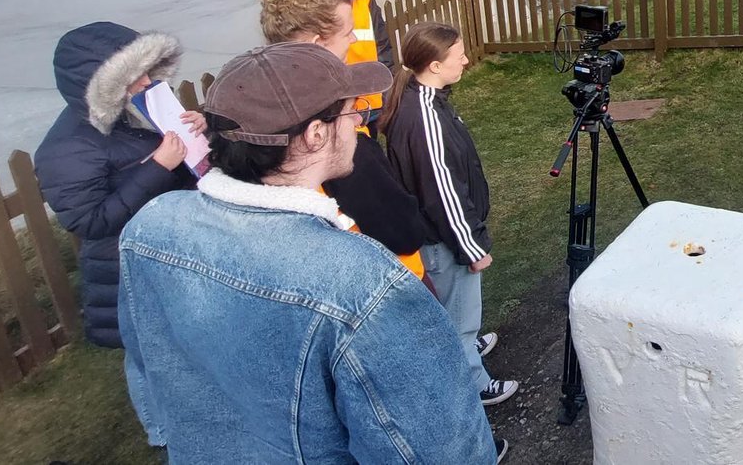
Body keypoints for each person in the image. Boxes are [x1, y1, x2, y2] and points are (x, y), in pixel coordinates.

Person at [117, 43, 504, 463]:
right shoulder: (363, 282)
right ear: (316, 134)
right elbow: (437, 449)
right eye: (350, 111)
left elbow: (151, 365)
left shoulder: (149, 227)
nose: (359, 119)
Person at [254, 0, 434, 282]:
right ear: (316, 43)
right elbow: (401, 231)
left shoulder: (262, 114)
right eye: (348, 32)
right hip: (385, 284)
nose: (355, 39)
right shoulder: (343, 143)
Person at [34, 22, 201, 348]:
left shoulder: (136, 112)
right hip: (129, 270)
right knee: (158, 356)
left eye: (146, 71)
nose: (146, 82)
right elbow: (89, 221)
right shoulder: (65, 150)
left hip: (172, 251)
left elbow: (188, 168)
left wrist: (202, 130)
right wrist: (157, 167)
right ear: (103, 86)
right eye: (131, 78)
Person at [383, 22, 518, 407]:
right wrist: (472, 247)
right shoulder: (425, 118)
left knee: (458, 311)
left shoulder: (424, 98)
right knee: (456, 322)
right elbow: (442, 194)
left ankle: (468, 346)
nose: (466, 59)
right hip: (445, 241)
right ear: (435, 65)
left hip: (442, 235)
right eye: (458, 54)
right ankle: (475, 383)